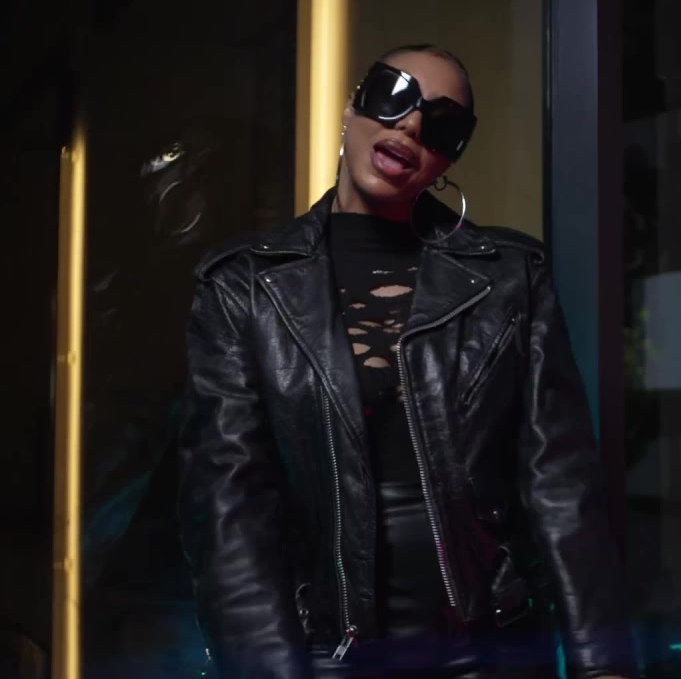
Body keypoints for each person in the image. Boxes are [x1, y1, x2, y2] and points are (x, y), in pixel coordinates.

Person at [178, 44, 636, 679]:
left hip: (489, 648)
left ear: (449, 158)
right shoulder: (243, 288)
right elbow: (229, 511)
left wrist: (603, 666)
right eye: (393, 96)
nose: (413, 125)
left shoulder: (510, 278)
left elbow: (561, 488)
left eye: (443, 125)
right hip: (324, 654)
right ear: (350, 108)